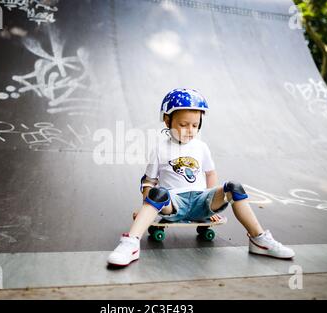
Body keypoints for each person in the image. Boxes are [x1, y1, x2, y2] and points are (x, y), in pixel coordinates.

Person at [107, 88, 295, 266]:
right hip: (174, 203)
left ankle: (259, 239)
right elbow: (149, 182)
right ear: (167, 121)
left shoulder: (201, 147)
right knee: (157, 193)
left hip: (200, 200)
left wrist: (210, 201)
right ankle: (130, 244)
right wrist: (145, 209)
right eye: (183, 124)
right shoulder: (160, 149)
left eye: (195, 125)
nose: (190, 129)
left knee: (234, 187)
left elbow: (210, 173)